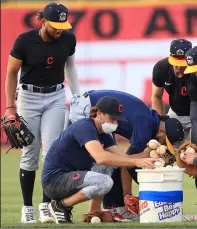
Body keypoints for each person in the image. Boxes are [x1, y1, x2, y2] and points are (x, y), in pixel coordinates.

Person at [4, 3, 80, 223]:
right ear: (43, 20)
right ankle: (27, 207)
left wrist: (76, 95)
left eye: (62, 26)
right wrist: (10, 107)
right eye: (55, 25)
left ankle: (46, 205)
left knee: (52, 152)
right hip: (29, 97)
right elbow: (11, 73)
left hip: (56, 95)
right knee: (30, 153)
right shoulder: (25, 41)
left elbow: (70, 66)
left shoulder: (67, 39)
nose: (59, 30)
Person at [68, 89, 185, 217]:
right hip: (88, 107)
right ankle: (58, 204)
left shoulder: (152, 121)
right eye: (165, 142)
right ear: (162, 131)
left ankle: (111, 209)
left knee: (111, 161)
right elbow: (127, 162)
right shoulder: (145, 128)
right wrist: (127, 194)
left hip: (92, 104)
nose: (164, 146)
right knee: (99, 160)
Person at [42, 96, 159, 224]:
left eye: (117, 119)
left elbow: (123, 159)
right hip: (55, 181)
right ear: (99, 113)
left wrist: (147, 153)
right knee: (105, 182)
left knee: (111, 165)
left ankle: (94, 211)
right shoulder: (84, 126)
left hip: (70, 178)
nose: (115, 123)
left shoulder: (103, 133)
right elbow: (101, 157)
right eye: (112, 118)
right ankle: (61, 206)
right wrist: (137, 162)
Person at [151, 39, 197, 216]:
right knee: (162, 153)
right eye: (175, 64)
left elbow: (195, 119)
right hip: (175, 113)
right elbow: (156, 97)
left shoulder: (195, 75)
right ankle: (160, 207)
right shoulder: (161, 68)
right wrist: (160, 124)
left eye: (182, 65)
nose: (178, 69)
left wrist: (193, 149)